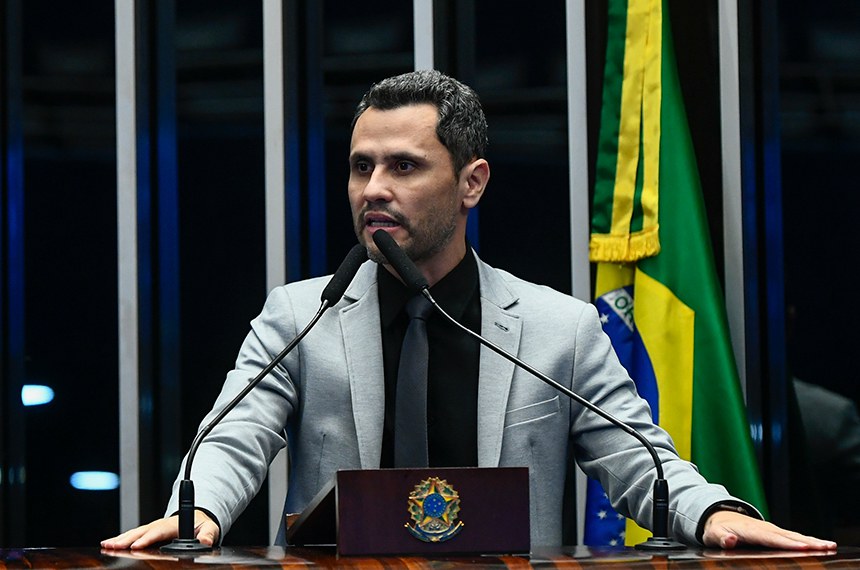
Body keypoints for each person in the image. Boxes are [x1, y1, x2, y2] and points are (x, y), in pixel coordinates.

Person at [102, 70, 836, 552]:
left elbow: (641, 463)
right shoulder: (301, 314)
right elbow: (233, 440)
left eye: (404, 166)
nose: (373, 189)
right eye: (362, 167)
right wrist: (201, 512)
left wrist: (714, 514)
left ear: (472, 182)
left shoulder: (559, 329)